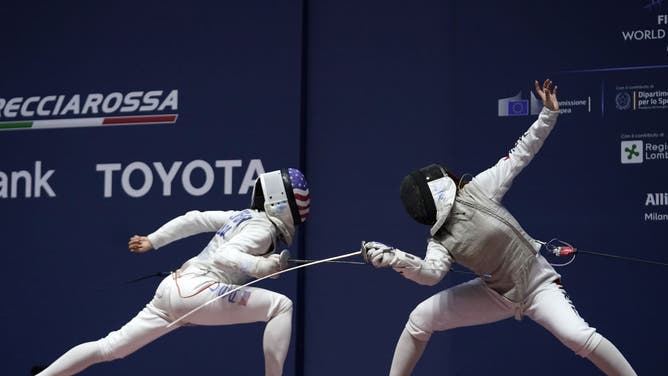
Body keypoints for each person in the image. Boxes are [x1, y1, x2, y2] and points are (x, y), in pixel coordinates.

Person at [362, 80, 637, 376]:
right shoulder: (440, 238)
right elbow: (431, 274)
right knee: (419, 319)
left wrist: (548, 114)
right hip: (496, 295)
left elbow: (520, 154)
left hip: (538, 284)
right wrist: (395, 259)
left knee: (577, 336)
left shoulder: (479, 188)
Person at [33, 168, 311, 376]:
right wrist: (265, 266)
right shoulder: (262, 229)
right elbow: (227, 255)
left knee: (108, 348)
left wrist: (154, 240)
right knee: (281, 306)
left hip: (174, 289)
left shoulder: (241, 216)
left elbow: (194, 219)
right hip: (198, 291)